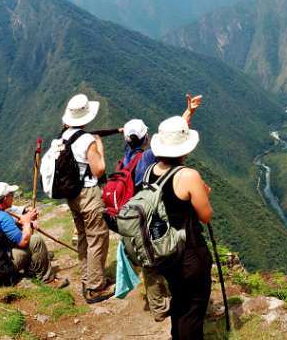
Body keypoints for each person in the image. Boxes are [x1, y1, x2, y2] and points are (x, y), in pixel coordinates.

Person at [120, 94, 202, 322]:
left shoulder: (128, 158)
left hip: (135, 215)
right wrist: (188, 116)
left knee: (149, 262)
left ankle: (158, 307)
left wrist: (189, 113)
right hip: (152, 217)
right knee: (161, 257)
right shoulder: (148, 157)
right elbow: (174, 143)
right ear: (146, 138)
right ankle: (173, 304)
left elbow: (171, 138)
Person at [149, 115, 213, 340]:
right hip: (190, 253)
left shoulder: (151, 172)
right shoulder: (188, 175)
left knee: (180, 301)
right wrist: (204, 194)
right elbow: (205, 216)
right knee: (193, 309)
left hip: (165, 252)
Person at [61, 93, 114, 304]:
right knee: (98, 238)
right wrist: (99, 147)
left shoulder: (63, 137)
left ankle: (88, 278)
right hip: (89, 193)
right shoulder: (87, 140)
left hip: (72, 195)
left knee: (84, 237)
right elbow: (99, 169)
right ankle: (95, 287)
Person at [0, 182, 68, 288]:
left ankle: (31, 270)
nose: (13, 197)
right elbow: (23, 242)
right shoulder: (3, 217)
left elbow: (2, 232)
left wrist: (21, 224)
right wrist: (26, 223)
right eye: (11, 195)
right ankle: (49, 280)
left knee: (23, 233)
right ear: (5, 198)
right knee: (36, 240)